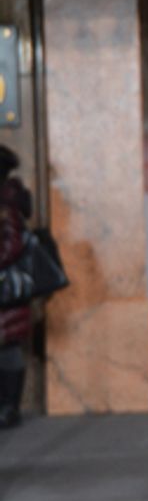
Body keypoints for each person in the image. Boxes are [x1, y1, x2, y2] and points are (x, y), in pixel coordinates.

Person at [0, 146, 32, 429]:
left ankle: (9, 407)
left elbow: (12, 246)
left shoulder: (6, 204)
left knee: (8, 346)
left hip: (5, 290)